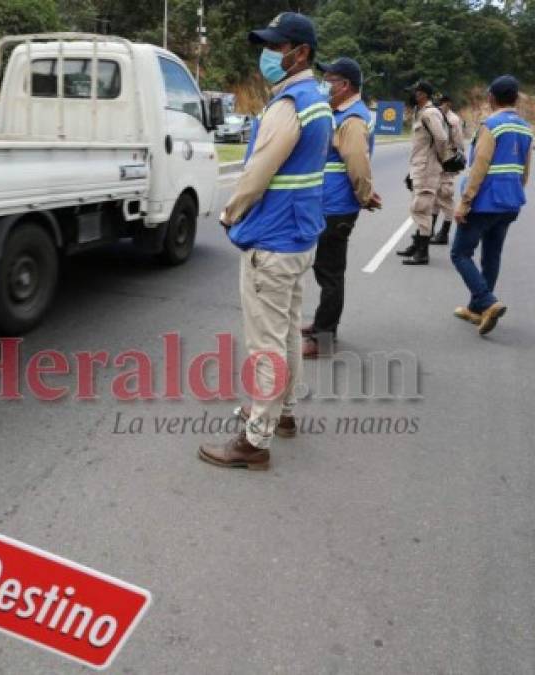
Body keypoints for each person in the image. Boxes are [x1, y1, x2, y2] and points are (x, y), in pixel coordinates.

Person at [199, 12, 333, 470]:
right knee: (289, 333)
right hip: (299, 237)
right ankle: (285, 414)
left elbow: (257, 172)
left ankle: (255, 440)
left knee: (265, 345)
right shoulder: (318, 100)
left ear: (301, 53)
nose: (269, 55)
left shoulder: (289, 104)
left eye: (277, 47)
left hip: (273, 239)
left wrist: (230, 211)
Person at [301, 57, 380, 359]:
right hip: (329, 203)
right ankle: (322, 324)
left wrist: (364, 195)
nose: (325, 85)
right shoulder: (342, 113)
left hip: (337, 207)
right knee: (325, 268)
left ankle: (324, 336)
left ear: (345, 85)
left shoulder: (352, 119)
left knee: (331, 272)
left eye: (330, 80)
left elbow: (358, 164)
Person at [451, 75, 533, 336]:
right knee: (492, 255)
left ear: (491, 98)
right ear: (516, 98)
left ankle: (487, 301)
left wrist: (464, 203)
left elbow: (478, 168)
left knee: (460, 253)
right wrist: (515, 193)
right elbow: (525, 171)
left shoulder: (491, 125)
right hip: (510, 203)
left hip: (485, 202)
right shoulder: (525, 128)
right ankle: (477, 310)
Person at [397, 80, 451, 265]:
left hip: (427, 168)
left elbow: (442, 139)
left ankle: (422, 252)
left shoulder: (430, 113)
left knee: (421, 208)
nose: (411, 96)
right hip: (419, 167)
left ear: (422, 95)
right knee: (420, 207)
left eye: (414, 92)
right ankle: (418, 245)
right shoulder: (420, 113)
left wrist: (438, 161)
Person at [431, 94, 466, 245]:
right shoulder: (437, 117)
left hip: (448, 161)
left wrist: (457, 157)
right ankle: (430, 231)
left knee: (445, 196)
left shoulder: (453, 120)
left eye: (442, 103)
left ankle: (444, 232)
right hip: (437, 161)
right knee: (434, 198)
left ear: (448, 104)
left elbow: (458, 143)